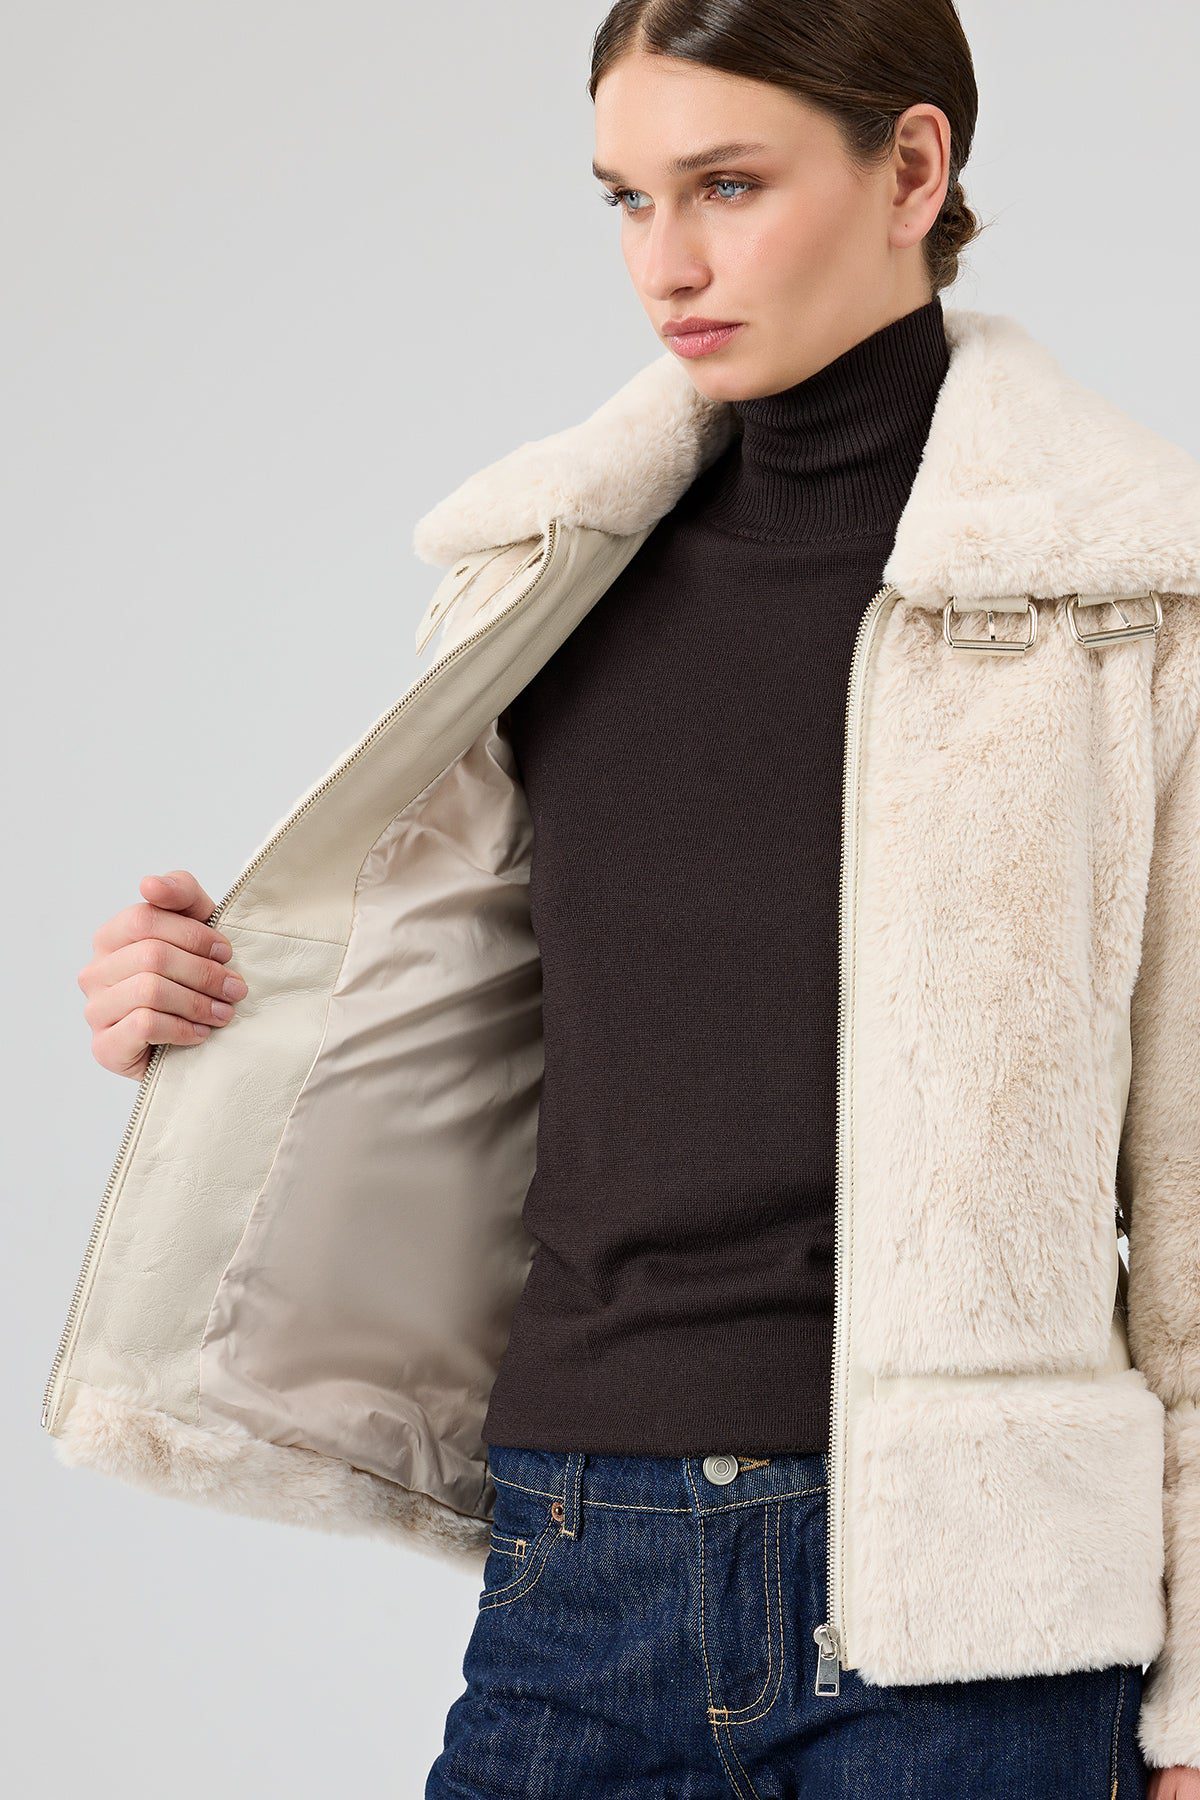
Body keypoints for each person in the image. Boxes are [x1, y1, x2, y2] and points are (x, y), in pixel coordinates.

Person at [67, 2, 1200, 1796]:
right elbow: (442, 1029)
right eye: (625, 197)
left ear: (913, 167)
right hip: (580, 1570)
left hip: (983, 1626)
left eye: (727, 185)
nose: (664, 261)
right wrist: (214, 1002)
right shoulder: (546, 581)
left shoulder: (1125, 604)